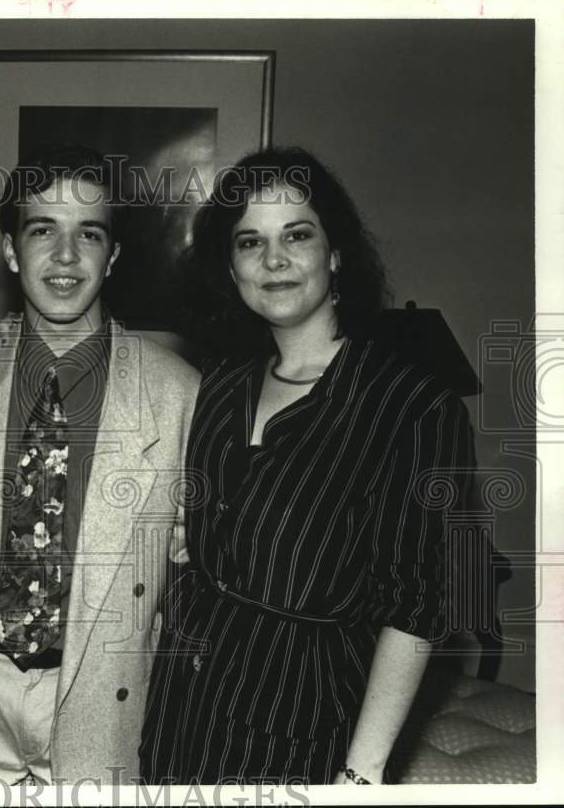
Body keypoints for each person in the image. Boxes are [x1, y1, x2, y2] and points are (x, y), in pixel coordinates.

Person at [140, 147, 476, 785]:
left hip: (306, 728)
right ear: (230, 267)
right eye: (250, 242)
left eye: (297, 234)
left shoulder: (412, 406)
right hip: (180, 714)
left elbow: (418, 608)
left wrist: (362, 776)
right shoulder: (217, 389)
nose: (274, 260)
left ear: (336, 253)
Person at [0, 145, 200, 785]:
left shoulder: (178, 395)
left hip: (103, 700)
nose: (66, 257)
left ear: (115, 256)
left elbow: (191, 571)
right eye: (43, 230)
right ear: (13, 251)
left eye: (89, 234)